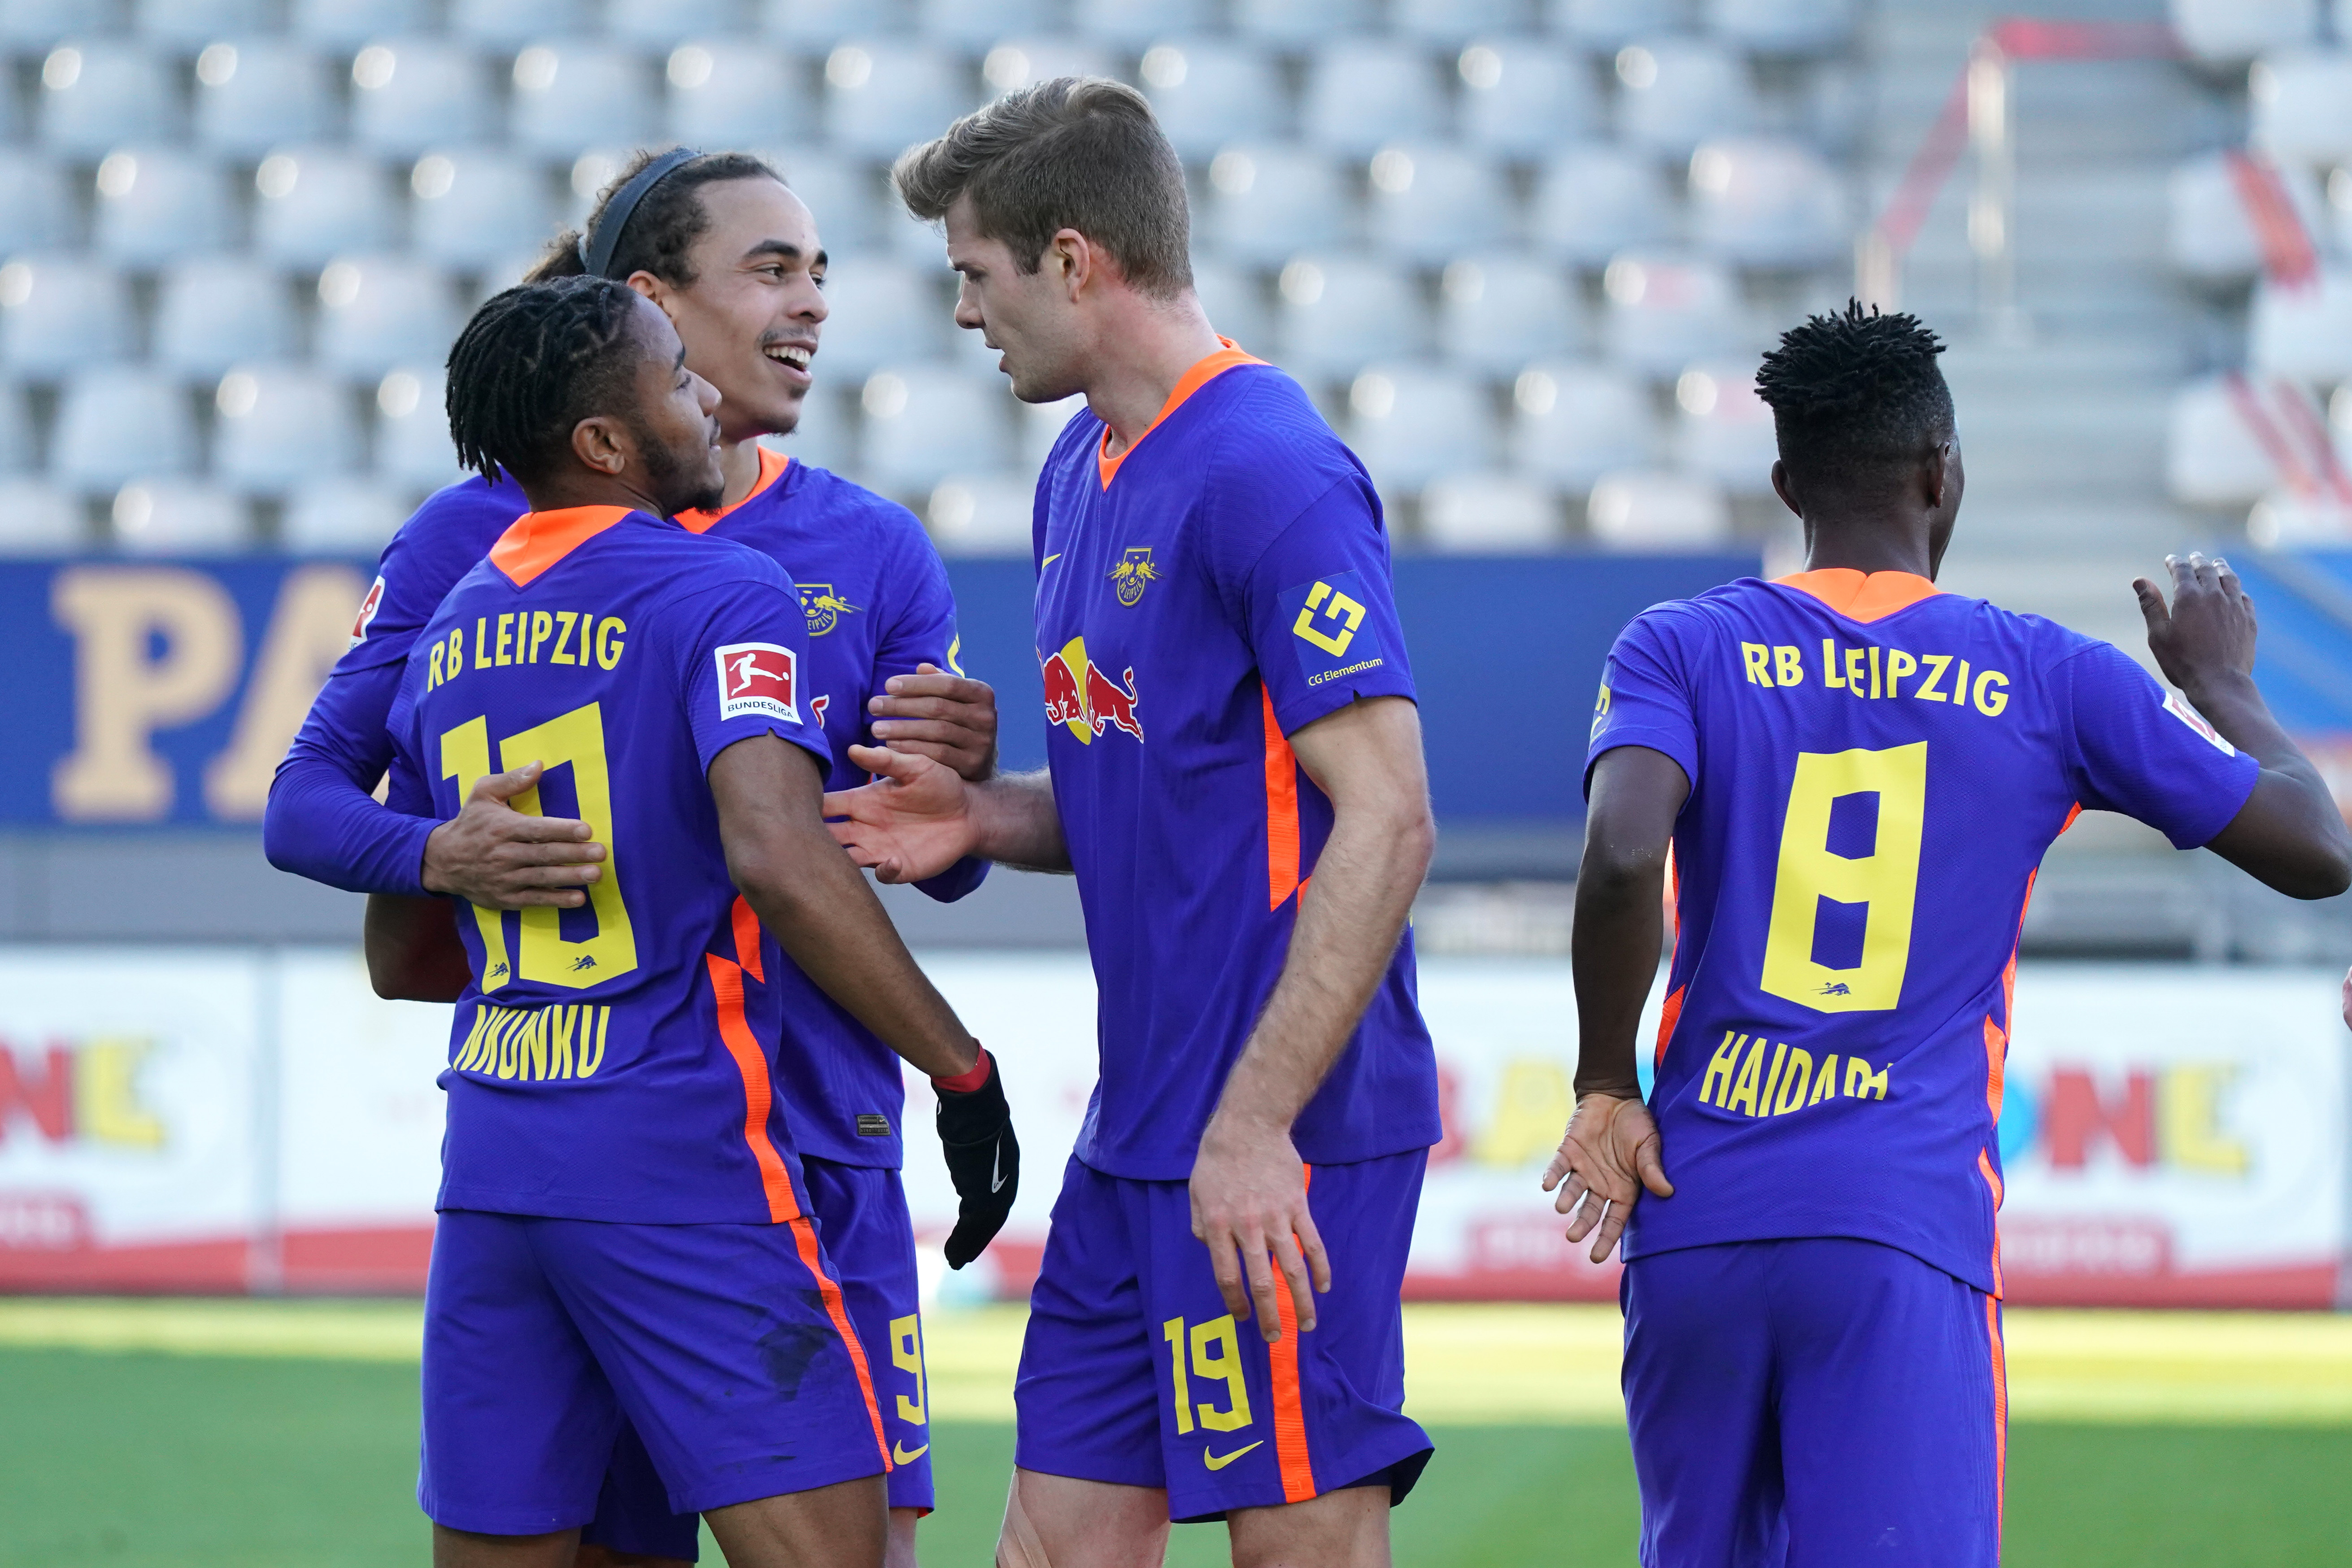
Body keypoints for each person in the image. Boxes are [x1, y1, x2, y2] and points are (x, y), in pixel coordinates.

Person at [262, 149, 1011, 1568]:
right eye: (772, 268)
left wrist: (960, 793)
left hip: (803, 1133)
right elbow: (323, 806)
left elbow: (922, 857)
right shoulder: (474, 541)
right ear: (652, 305)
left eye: (819, 271)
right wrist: (441, 854)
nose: (812, 305)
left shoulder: (875, 546)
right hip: (683, 1124)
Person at [1552, 301, 2352, 1568]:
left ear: (1785, 484)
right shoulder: (2048, 675)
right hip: (1897, 1228)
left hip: (1696, 1216)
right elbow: (2316, 852)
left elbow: (1619, 854)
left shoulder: (1678, 647)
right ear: (1943, 473)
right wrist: (2225, 688)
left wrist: (1606, 1082)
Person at [824, 78, 1441, 1568]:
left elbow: (1391, 819)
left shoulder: (1268, 470)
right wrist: (983, 815)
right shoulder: (1074, 473)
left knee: (1296, 1539)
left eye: (976, 273)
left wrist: (1254, 1125)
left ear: (1075, 258)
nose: (965, 314)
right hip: (1137, 1131)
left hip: (1283, 1132)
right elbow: (1150, 798)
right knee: (1051, 1542)